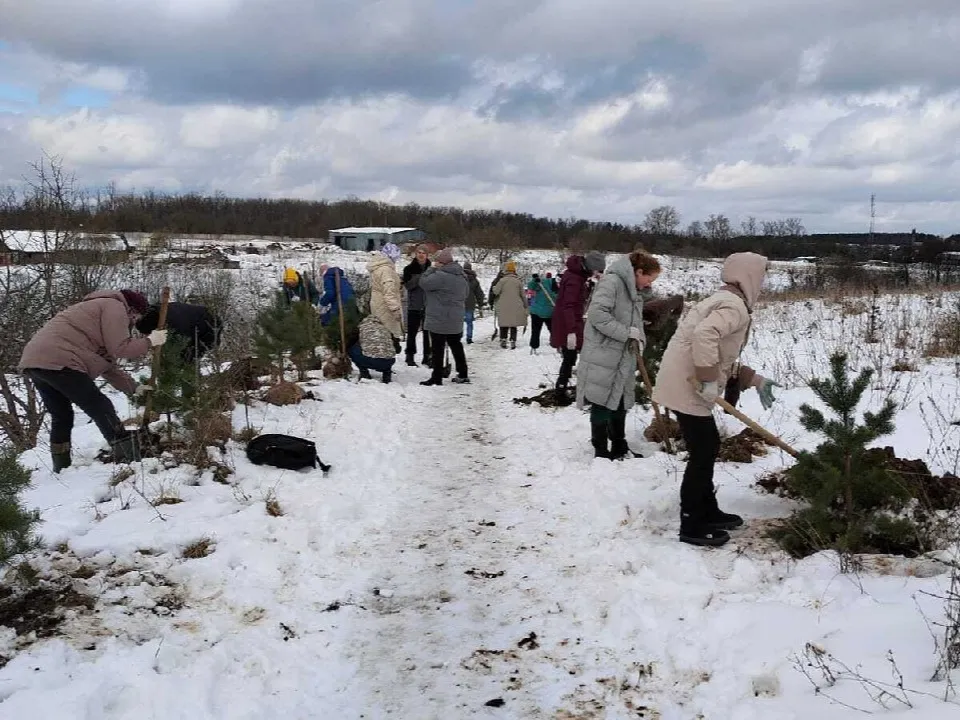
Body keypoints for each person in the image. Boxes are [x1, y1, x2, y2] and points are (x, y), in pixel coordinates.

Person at [653, 252, 781, 548]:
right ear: (750, 277)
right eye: (760, 276)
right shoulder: (734, 306)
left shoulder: (722, 299)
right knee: (704, 450)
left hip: (683, 383)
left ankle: (707, 511)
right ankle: (692, 523)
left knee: (707, 448)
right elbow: (704, 335)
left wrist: (754, 379)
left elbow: (721, 354)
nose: (761, 283)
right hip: (689, 387)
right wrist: (708, 379)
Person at [19, 290, 168, 471]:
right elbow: (121, 349)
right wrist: (150, 341)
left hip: (36, 361)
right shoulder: (114, 307)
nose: (134, 322)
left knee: (62, 415)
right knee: (100, 406)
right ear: (132, 309)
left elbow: (108, 365)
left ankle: (61, 468)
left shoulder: (93, 311)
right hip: (61, 359)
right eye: (136, 317)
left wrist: (134, 388)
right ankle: (129, 458)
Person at [577, 251, 661, 461]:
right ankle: (600, 448)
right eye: (648, 279)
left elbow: (633, 318)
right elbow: (597, 315)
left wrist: (639, 337)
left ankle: (619, 445)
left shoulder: (633, 290)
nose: (649, 283)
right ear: (639, 271)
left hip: (623, 355)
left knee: (621, 400)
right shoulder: (611, 282)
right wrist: (626, 333)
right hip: (604, 353)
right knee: (602, 401)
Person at [550, 250, 607, 389]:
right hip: (568, 324)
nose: (597, 274)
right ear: (592, 267)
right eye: (598, 271)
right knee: (570, 356)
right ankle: (561, 387)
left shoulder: (577, 276)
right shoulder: (574, 279)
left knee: (571, 356)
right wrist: (571, 331)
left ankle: (564, 385)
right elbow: (568, 305)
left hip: (571, 322)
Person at [419, 249, 470, 385]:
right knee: (456, 345)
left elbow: (423, 283)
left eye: (437, 261)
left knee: (437, 347)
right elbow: (466, 294)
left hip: (439, 318)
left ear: (441, 262)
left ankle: (437, 377)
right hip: (456, 318)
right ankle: (463, 373)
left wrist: (431, 268)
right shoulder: (462, 275)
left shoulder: (440, 276)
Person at [135, 301, 221, 366]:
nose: (147, 336)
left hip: (209, 326)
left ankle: (191, 385)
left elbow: (183, 344)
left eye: (148, 333)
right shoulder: (157, 310)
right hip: (198, 321)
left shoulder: (174, 325)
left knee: (188, 362)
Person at [402, 245, 432, 366]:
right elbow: (408, 286)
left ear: (427, 255)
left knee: (428, 333)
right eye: (419, 252)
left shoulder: (432, 269)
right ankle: (410, 356)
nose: (421, 255)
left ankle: (427, 356)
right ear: (415, 254)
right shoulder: (409, 269)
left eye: (423, 253)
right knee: (412, 333)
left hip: (429, 305)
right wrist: (420, 277)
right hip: (414, 305)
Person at [367, 242, 404, 340]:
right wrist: (395, 309)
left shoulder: (379, 267)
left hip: (377, 303)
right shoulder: (386, 270)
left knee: (380, 335)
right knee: (388, 336)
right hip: (385, 308)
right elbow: (388, 292)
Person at [347, 315, 397, 384]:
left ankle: (364, 373)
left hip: (369, 360)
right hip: (388, 362)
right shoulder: (385, 329)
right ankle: (387, 374)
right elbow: (398, 349)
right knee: (387, 352)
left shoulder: (361, 328)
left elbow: (350, 343)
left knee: (351, 349)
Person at [491, 261, 528, 349]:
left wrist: (494, 287)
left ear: (506, 270)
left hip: (503, 305)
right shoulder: (518, 281)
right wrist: (526, 306)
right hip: (515, 306)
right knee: (513, 324)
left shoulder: (502, 280)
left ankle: (503, 340)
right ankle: (513, 341)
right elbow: (523, 295)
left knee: (504, 323)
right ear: (514, 271)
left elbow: (496, 292)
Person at [527, 271, 558, 353]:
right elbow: (531, 286)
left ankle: (558, 346)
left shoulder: (563, 288)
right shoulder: (543, 282)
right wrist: (534, 280)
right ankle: (534, 347)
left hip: (550, 313)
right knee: (535, 331)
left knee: (555, 330)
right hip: (537, 312)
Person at [462, 262, 485, 344]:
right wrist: (480, 304)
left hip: (459, 303)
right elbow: (479, 293)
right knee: (469, 322)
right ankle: (469, 337)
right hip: (470, 303)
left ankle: (458, 336)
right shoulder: (474, 280)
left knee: (458, 322)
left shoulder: (458, 277)